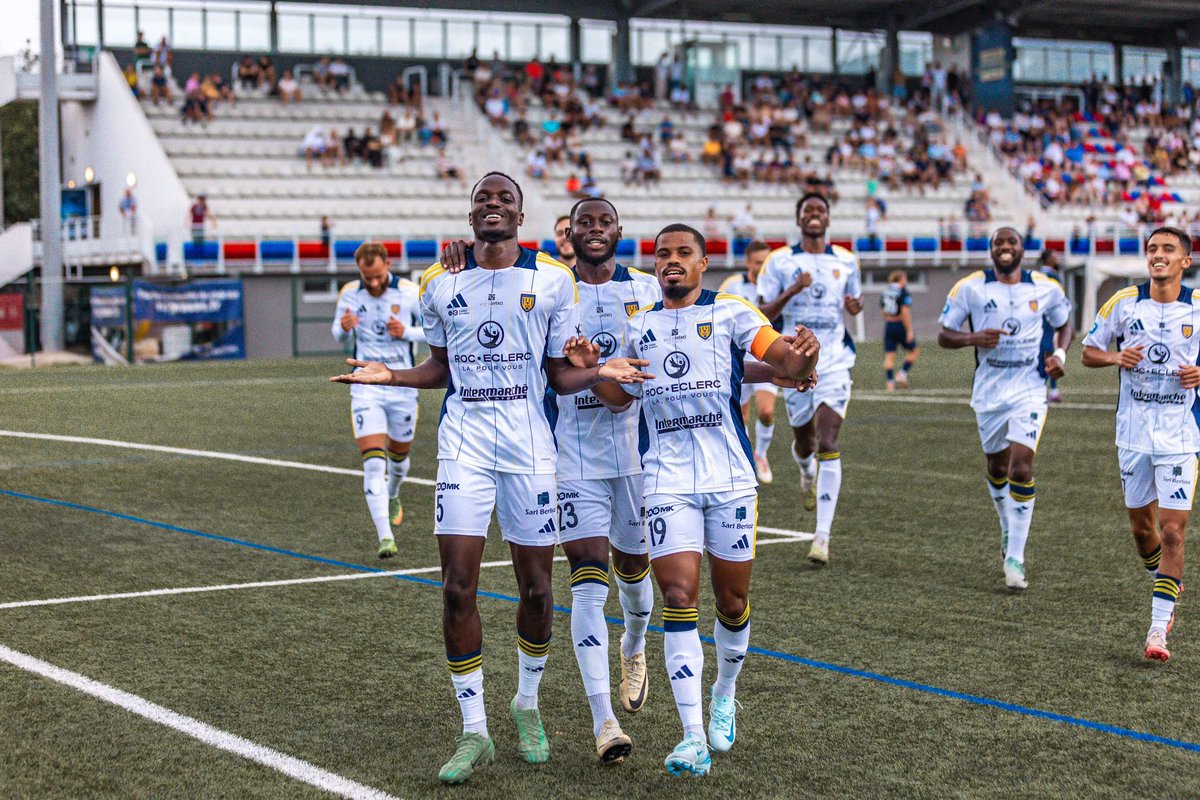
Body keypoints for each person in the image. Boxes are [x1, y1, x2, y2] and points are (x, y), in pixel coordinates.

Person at [330, 173, 651, 784]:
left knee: (536, 591)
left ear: (521, 215)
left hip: (532, 450)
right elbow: (439, 369)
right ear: (471, 214)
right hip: (464, 446)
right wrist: (392, 376)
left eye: (505, 198)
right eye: (484, 198)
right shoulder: (440, 282)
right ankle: (473, 730)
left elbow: (558, 375)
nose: (493, 205)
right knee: (457, 587)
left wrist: (597, 370)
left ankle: (525, 703)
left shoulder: (551, 281)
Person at [590, 223, 819, 778]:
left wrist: (804, 359)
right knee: (677, 595)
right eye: (662, 254)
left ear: (702, 262)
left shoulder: (735, 313)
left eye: (682, 253)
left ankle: (725, 692)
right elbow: (620, 400)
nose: (671, 261)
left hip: (730, 480)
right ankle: (692, 735)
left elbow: (785, 363)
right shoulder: (637, 327)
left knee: (733, 602)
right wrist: (593, 369)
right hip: (665, 480)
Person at [438, 197, 659, 763]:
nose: (592, 231)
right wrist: (464, 254)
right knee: (586, 579)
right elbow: (558, 375)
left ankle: (634, 642)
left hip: (635, 456)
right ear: (566, 234)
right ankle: (604, 722)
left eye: (602, 222)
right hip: (565, 455)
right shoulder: (550, 283)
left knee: (633, 575)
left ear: (617, 230)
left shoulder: (647, 290)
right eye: (581, 223)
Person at [1081, 226, 1200, 661]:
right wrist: (1116, 356)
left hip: (1181, 434)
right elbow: (1088, 351)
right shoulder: (1123, 303)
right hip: (1132, 433)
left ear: (1185, 261)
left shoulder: (1198, 307)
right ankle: (1166, 581)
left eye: (1169, 249)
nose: (1158, 255)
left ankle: (1157, 630)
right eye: (1152, 249)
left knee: (1172, 530)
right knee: (1141, 528)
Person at [937, 226, 1074, 590]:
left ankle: (1015, 558)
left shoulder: (1046, 287)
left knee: (1021, 466)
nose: (1005, 247)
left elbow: (1065, 325)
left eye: (1011, 242)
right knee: (996, 467)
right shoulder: (970, 287)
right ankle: (1005, 522)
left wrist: (1059, 354)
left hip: (1029, 388)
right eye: (999, 242)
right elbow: (944, 333)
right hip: (989, 391)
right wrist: (972, 338)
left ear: (1022, 249)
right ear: (991, 250)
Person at [757, 192, 863, 564]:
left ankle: (822, 536)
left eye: (820, 210)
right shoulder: (780, 261)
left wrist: (855, 306)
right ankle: (805, 471)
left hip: (835, 360)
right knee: (805, 441)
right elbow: (762, 313)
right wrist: (793, 289)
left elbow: (853, 301)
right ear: (799, 218)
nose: (814, 215)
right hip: (796, 361)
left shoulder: (848, 261)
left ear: (828, 219)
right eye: (808, 210)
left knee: (828, 439)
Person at [330, 243, 425, 557]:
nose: (372, 283)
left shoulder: (410, 292)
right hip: (365, 385)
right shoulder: (350, 293)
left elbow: (433, 332)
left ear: (388, 264)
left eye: (377, 276)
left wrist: (407, 332)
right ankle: (385, 537)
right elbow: (337, 334)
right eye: (366, 277)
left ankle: (394, 492)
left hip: (401, 383)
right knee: (373, 463)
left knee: (399, 458)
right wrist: (343, 330)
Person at [719, 240, 778, 482]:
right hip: (738, 357)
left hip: (766, 353)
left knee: (766, 411)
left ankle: (760, 454)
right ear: (748, 262)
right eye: (757, 263)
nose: (762, 267)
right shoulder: (733, 285)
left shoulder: (776, 284)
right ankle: (742, 458)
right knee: (740, 415)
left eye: (766, 263)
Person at [880, 270, 918, 391]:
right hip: (900, 324)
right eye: (905, 278)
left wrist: (889, 319)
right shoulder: (903, 292)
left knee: (889, 355)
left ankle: (890, 383)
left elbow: (883, 310)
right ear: (900, 279)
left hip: (889, 324)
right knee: (913, 351)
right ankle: (902, 374)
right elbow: (905, 312)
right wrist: (909, 330)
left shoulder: (885, 291)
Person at [1038, 249, 1064, 403]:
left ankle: (1048, 389)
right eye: (1055, 256)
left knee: (1044, 351)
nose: (1057, 259)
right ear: (1048, 259)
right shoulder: (1052, 276)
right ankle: (1051, 390)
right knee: (1048, 351)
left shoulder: (1037, 275)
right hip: (1047, 319)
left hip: (1038, 317)